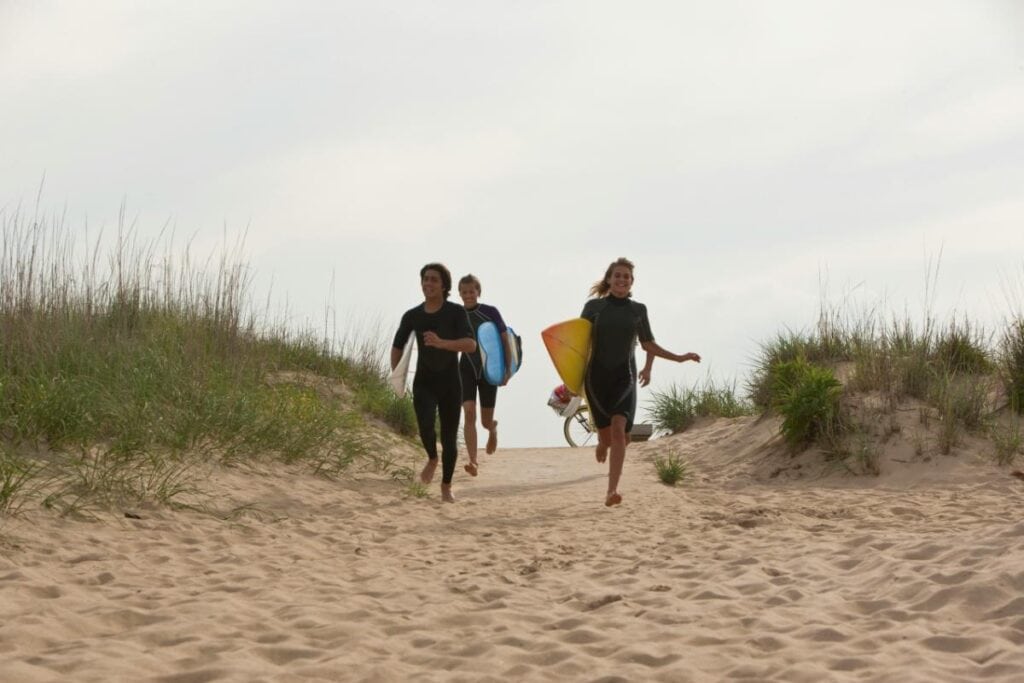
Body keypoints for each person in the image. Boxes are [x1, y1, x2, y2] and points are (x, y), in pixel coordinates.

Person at [581, 257, 700, 506]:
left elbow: (648, 343)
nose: (622, 279)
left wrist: (677, 359)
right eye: (617, 275)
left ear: (632, 281)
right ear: (609, 279)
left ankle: (611, 491)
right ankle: (601, 445)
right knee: (608, 438)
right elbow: (578, 343)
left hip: (624, 378)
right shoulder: (593, 308)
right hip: (596, 379)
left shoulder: (638, 310)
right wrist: (572, 380)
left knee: (619, 430)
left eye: (626, 276)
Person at [392, 263, 476, 503]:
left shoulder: (456, 313)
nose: (428, 284)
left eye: (433, 280)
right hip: (424, 382)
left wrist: (442, 343)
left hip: (451, 383)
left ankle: (446, 486)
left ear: (444, 286)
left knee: (449, 438)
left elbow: (471, 345)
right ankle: (432, 457)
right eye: (425, 279)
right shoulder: (413, 316)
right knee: (425, 426)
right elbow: (397, 346)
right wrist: (396, 375)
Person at [456, 274, 513, 476]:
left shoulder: (490, 312)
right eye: (464, 292)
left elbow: (505, 340)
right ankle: (473, 461)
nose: (468, 295)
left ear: (478, 292)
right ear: (460, 294)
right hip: (467, 368)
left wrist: (507, 370)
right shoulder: (457, 314)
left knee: (485, 421)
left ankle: (492, 429)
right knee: (469, 412)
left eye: (472, 291)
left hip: (490, 369)